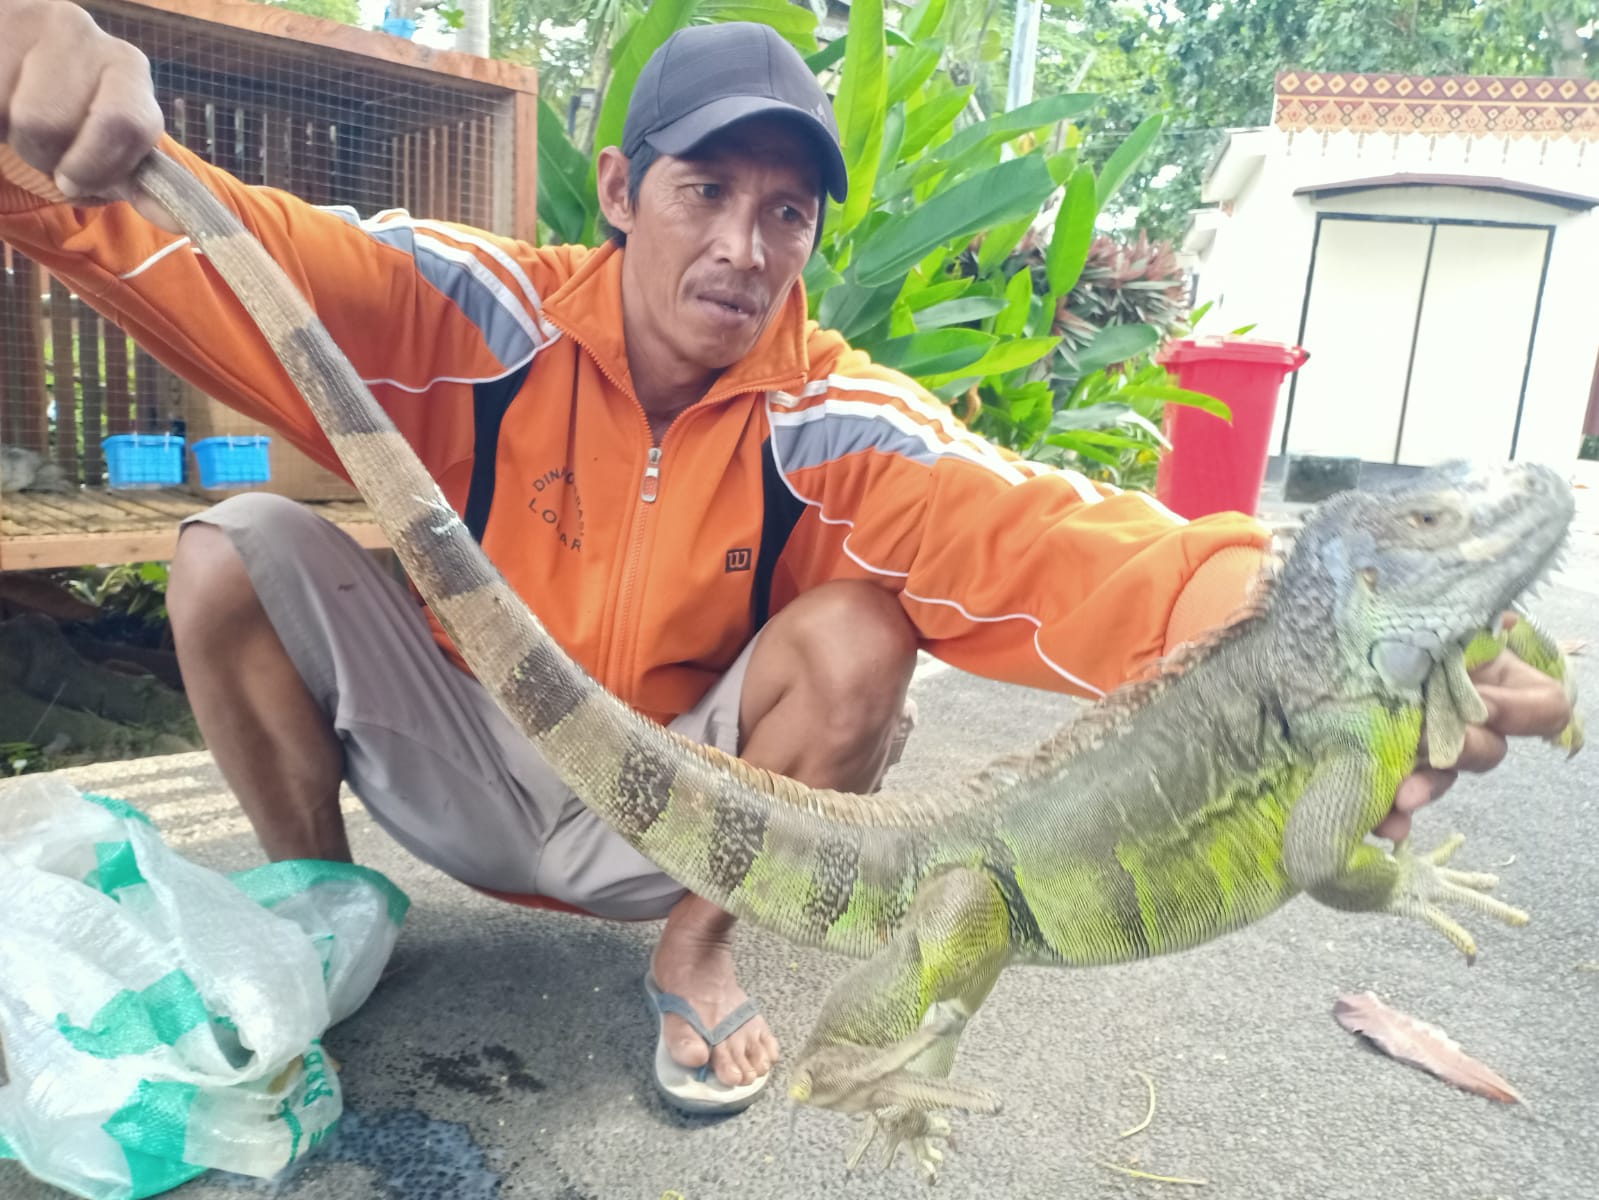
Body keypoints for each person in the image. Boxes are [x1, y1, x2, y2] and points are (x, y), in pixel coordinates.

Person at [0, 4, 1572, 1116]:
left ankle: (697, 964)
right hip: (474, 752)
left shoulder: (839, 414)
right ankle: (318, 904)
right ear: (618, 192)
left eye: (788, 213)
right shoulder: (462, 303)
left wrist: (1297, 630)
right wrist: (37, 95)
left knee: (858, 633)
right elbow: (212, 246)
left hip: (690, 818)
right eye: (703, 193)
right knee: (235, 547)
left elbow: (1053, 540)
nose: (745, 249)